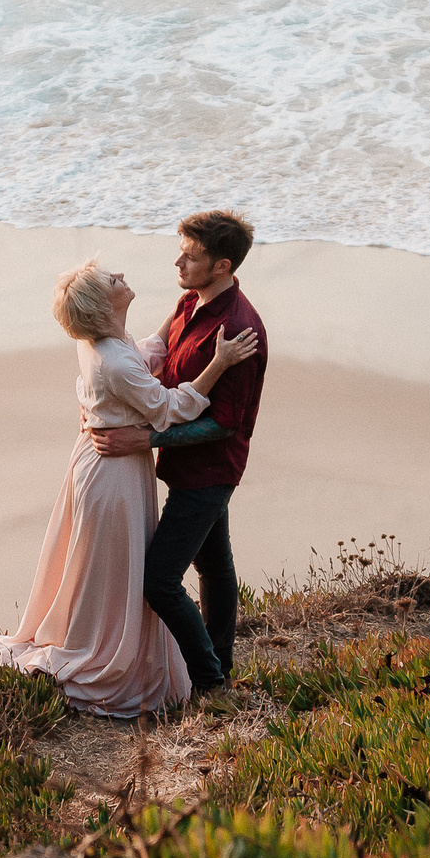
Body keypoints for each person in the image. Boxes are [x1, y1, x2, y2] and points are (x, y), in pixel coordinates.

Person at [0, 258, 260, 717]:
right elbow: (169, 406)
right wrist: (218, 363)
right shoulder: (115, 361)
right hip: (113, 475)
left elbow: (146, 353)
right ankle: (111, 657)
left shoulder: (103, 343)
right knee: (117, 572)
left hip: (101, 462)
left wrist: (185, 307)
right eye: (112, 280)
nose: (121, 275)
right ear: (103, 304)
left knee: (109, 570)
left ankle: (123, 646)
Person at [84, 210, 266, 697]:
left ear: (223, 266)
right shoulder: (190, 300)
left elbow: (224, 424)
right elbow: (158, 356)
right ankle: (220, 665)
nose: (178, 260)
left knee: (160, 580)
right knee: (214, 566)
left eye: (192, 255)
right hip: (184, 467)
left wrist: (146, 439)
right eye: (181, 248)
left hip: (209, 473)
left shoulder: (239, 332)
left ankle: (209, 680)